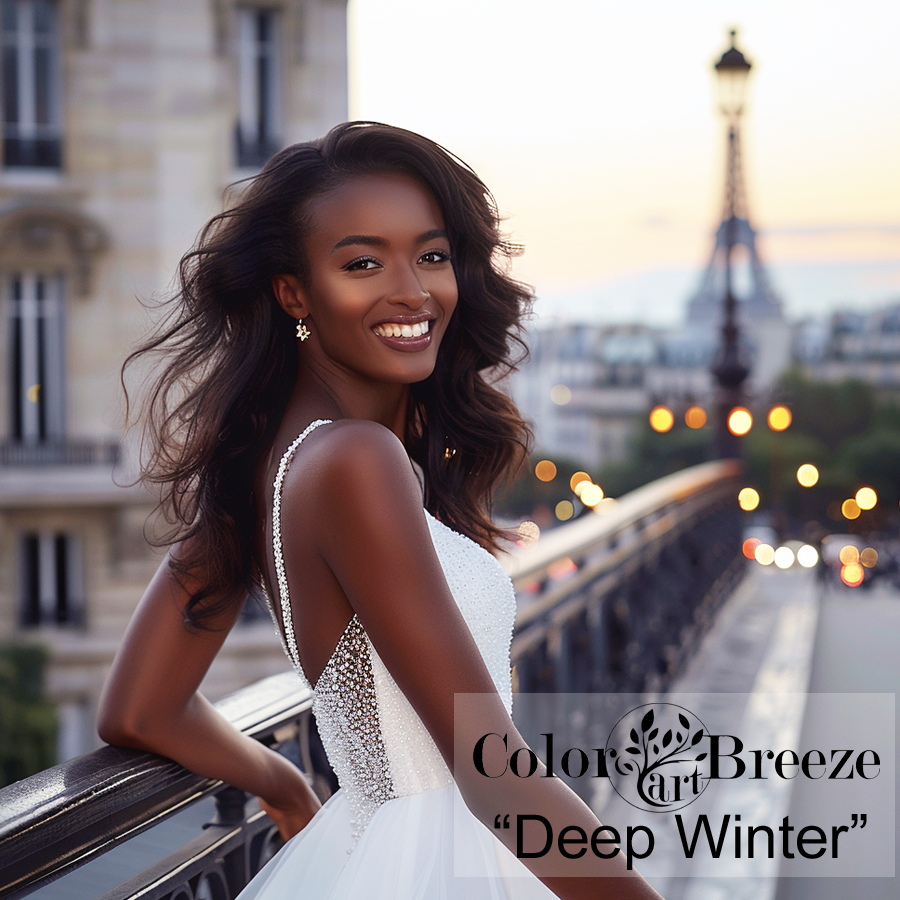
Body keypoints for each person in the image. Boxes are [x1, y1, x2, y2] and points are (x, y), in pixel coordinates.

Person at [97, 122, 664, 900]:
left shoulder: (269, 460)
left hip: (376, 848)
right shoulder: (356, 462)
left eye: (430, 256)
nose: (413, 289)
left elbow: (139, 708)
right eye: (363, 263)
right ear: (293, 292)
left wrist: (285, 782)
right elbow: (492, 771)